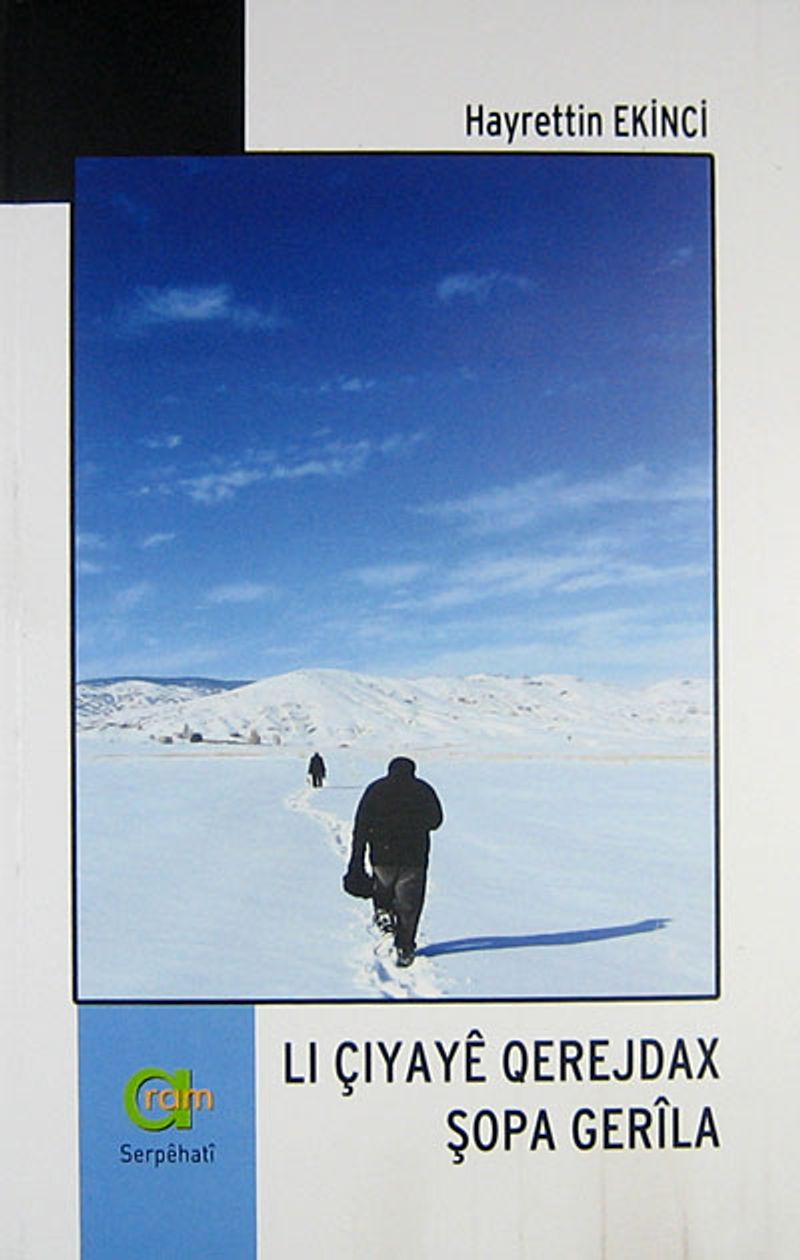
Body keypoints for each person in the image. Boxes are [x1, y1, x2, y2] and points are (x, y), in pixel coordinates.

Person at [345, 756, 443, 967]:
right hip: (414, 858)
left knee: (383, 889)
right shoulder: (423, 790)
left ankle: (384, 912)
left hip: (382, 856)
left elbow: (361, 827)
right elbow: (436, 821)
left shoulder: (376, 790)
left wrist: (356, 860)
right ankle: (405, 947)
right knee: (410, 904)